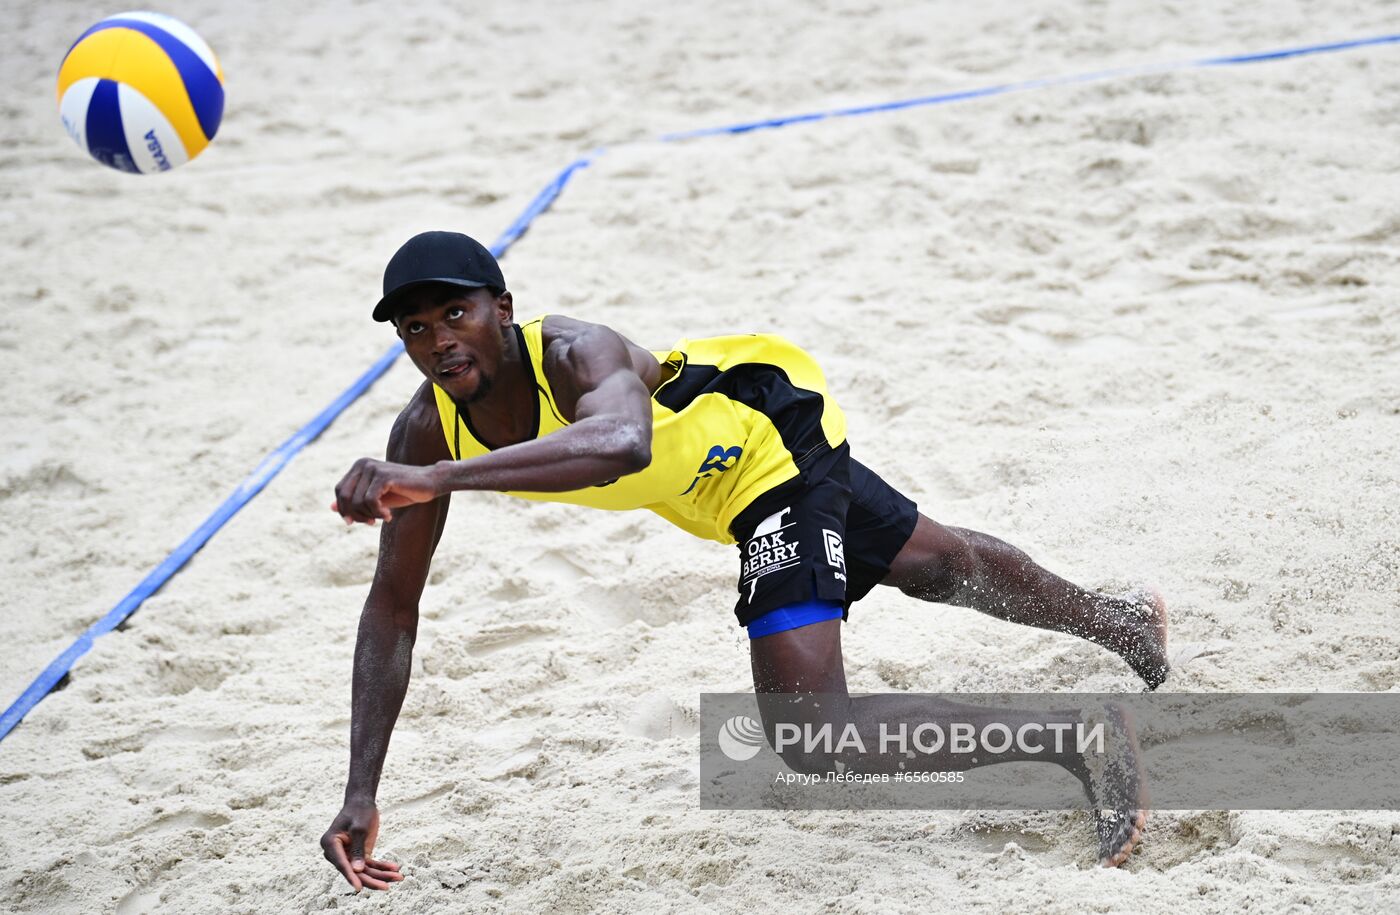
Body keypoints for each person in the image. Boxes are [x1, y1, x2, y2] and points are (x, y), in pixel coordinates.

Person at [319, 231, 1170, 891]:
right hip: (713, 489)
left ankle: (1081, 735)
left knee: (811, 734)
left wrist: (436, 478)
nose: (438, 342)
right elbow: (392, 607)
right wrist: (361, 789)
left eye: (454, 315)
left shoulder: (577, 351)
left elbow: (618, 441)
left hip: (766, 436)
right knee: (934, 564)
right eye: (415, 329)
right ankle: (1124, 621)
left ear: (502, 307)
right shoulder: (426, 428)